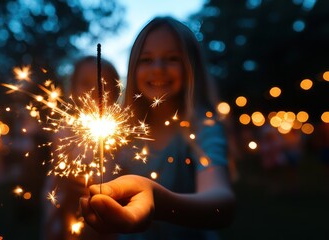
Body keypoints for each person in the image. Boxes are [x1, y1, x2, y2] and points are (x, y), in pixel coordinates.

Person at [80, 16, 236, 239]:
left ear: (192, 65)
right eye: (146, 60)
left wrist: (159, 203)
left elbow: (222, 204)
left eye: (172, 58)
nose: (158, 69)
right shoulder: (124, 131)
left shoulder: (203, 128)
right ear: (133, 67)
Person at [41, 55, 121, 240]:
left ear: (115, 91)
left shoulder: (121, 135)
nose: (94, 91)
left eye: (103, 85)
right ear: (73, 89)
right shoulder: (64, 133)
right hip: (70, 215)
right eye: (86, 83)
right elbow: (56, 184)